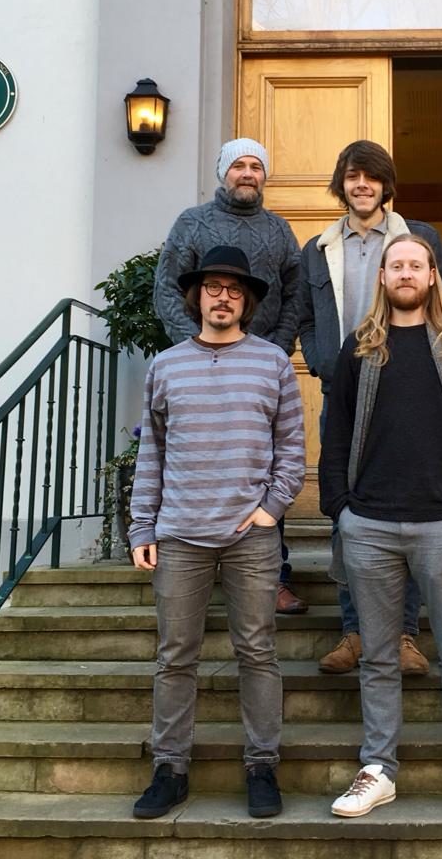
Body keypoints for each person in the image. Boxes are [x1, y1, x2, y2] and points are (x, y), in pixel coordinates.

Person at [319, 234, 442, 820]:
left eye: (415, 265)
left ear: (432, 278)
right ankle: (378, 770)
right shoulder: (359, 350)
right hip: (369, 523)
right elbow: (336, 435)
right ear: (382, 277)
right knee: (377, 655)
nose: (405, 273)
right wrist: (340, 510)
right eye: (395, 264)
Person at [129, 245, 305, 820]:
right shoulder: (166, 365)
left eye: (234, 289)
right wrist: (142, 526)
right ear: (197, 296)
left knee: (257, 651)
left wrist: (271, 510)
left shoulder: (273, 362)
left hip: (250, 535)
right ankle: (170, 768)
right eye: (213, 287)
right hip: (180, 534)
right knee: (176, 655)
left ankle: (261, 765)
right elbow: (151, 453)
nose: (223, 297)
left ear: (247, 300)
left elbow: (292, 449)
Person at [299, 139, 442, 676]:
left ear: (386, 184)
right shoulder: (316, 248)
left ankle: (405, 636)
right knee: (346, 507)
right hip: (345, 393)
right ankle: (355, 633)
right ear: (341, 184)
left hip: (410, 390)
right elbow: (307, 315)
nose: (361, 185)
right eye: (352, 176)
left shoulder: (419, 240)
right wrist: (326, 361)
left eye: (371, 176)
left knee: (410, 509)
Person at [154, 138, 307, 616]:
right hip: (201, 361)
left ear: (265, 176)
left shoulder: (280, 231)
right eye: (239, 165)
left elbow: (297, 295)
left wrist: (274, 350)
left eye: (256, 166)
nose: (247, 173)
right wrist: (194, 345)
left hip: (260, 370)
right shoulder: (192, 223)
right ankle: (194, 568)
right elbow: (166, 287)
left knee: (264, 461)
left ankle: (273, 577)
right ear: (224, 173)